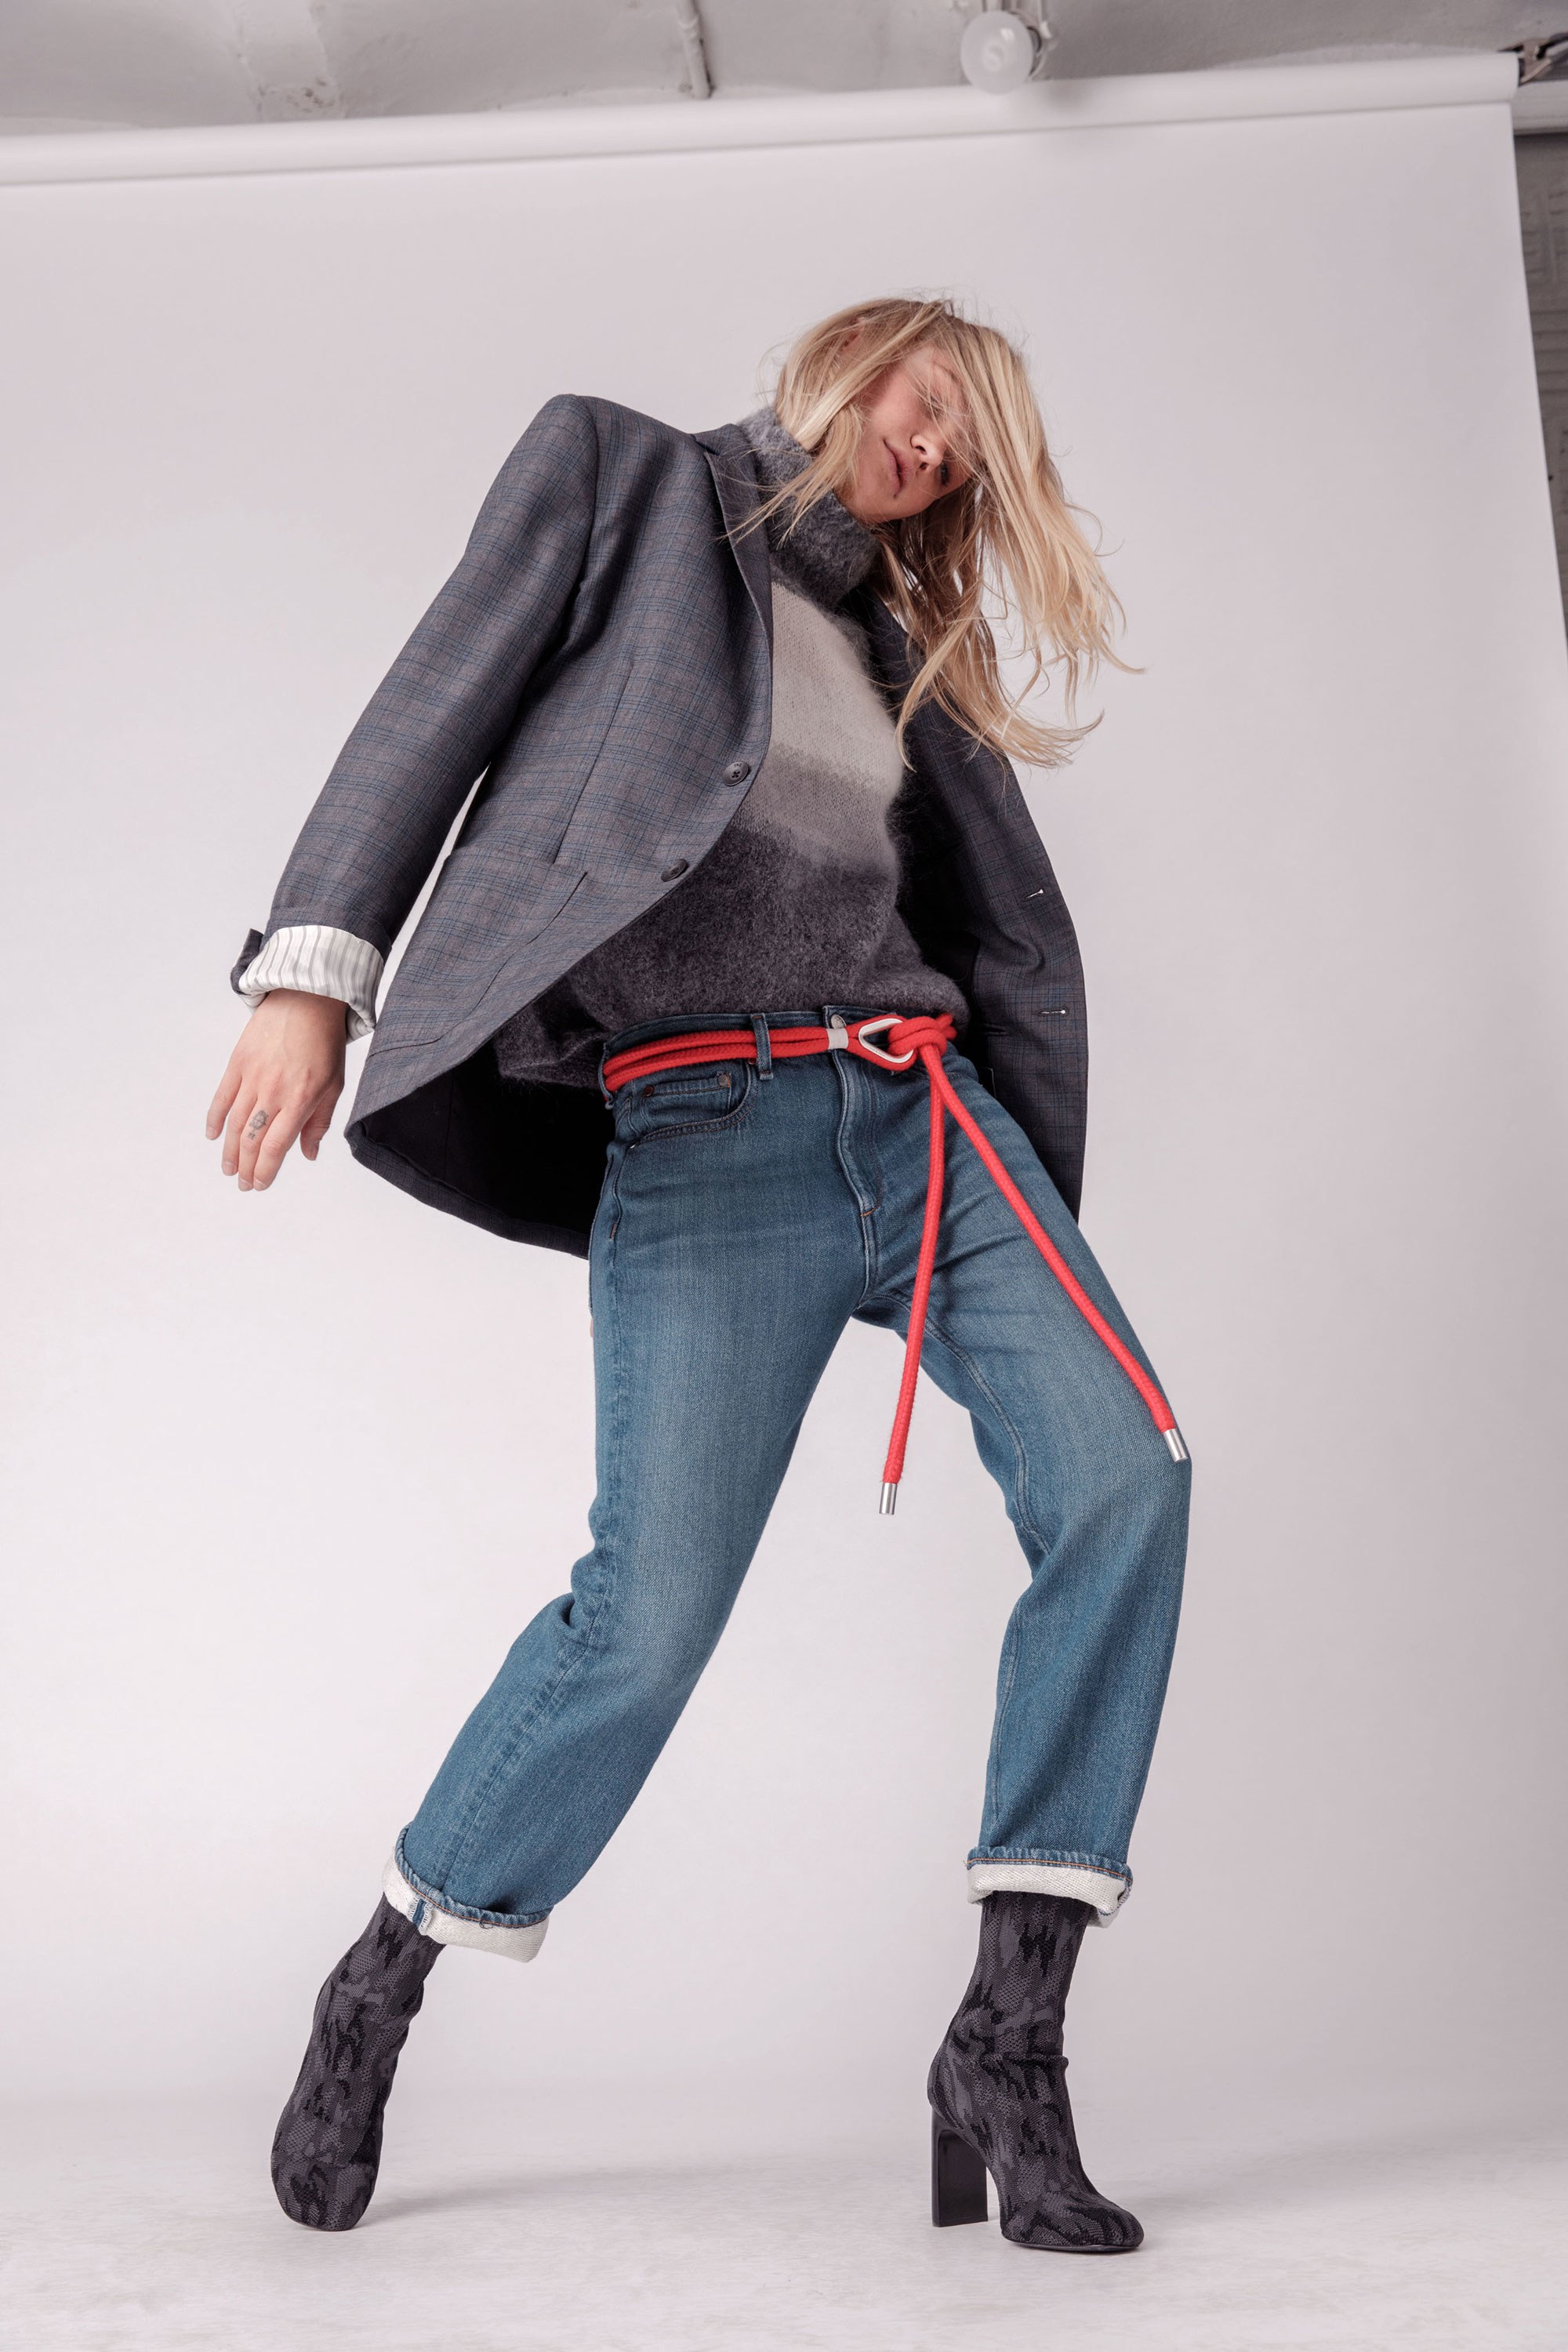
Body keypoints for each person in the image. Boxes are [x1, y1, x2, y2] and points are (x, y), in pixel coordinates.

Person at [208, 296, 1191, 2252]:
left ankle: (1006, 2039)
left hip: (927, 1119)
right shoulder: (626, 481)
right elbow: (426, 709)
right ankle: (386, 1975)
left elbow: (981, 912)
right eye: (928, 399)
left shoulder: (903, 638)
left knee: (1127, 1479)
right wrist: (312, 973)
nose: (935, 448)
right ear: (852, 359)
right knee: (641, 1623)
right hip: (706, 1127)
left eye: (970, 445)